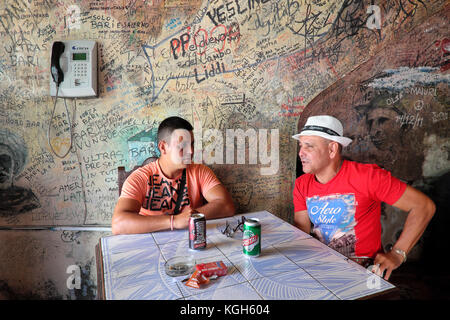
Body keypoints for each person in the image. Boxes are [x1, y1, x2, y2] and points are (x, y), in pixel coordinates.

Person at [292, 115, 435, 280]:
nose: (301, 153)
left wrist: (397, 254)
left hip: (363, 270)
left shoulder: (368, 177)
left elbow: (423, 206)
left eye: (308, 146)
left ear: (332, 149)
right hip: (322, 268)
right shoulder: (302, 184)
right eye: (301, 145)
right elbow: (301, 231)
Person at [112, 116, 235, 234]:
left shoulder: (199, 171)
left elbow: (226, 206)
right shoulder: (140, 178)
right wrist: (174, 222)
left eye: (192, 144)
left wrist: (190, 216)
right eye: (183, 146)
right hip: (151, 242)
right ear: (163, 147)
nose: (191, 151)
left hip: (189, 239)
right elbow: (118, 224)